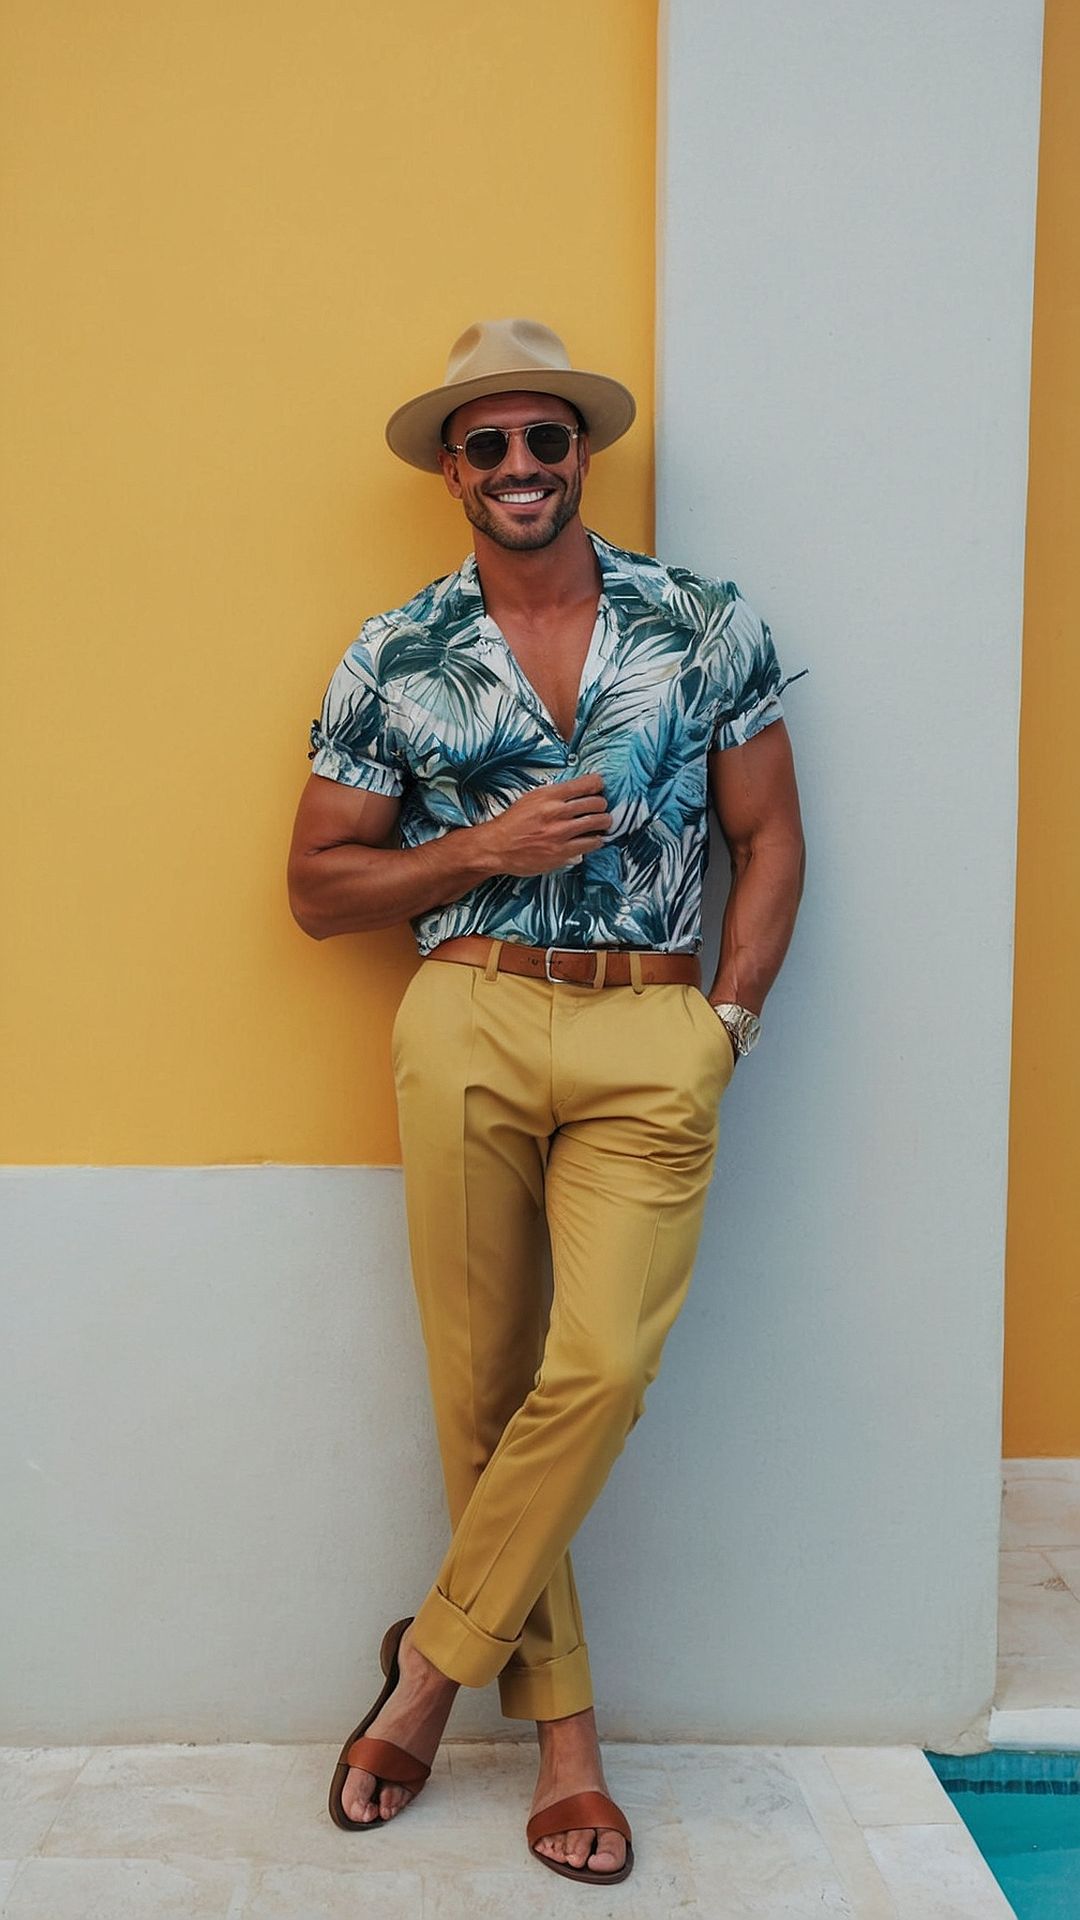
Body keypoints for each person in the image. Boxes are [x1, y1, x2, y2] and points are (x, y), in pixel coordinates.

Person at [287, 317, 806, 1887]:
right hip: (473, 1017)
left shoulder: (702, 621)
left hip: (654, 1028)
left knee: (601, 1364)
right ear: (452, 471)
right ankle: (568, 1749)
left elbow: (770, 840)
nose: (521, 463)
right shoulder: (395, 652)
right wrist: (477, 852)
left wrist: (725, 1026)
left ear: (583, 454)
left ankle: (428, 1673)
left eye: (545, 437)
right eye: (489, 443)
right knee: (484, 1389)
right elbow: (316, 888)